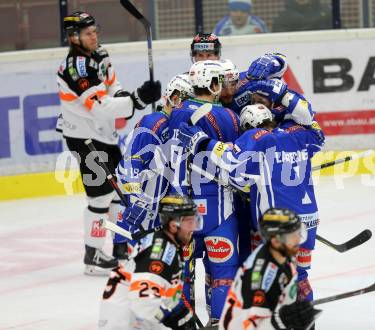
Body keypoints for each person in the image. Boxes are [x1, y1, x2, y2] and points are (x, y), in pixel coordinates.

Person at [178, 100, 323, 304]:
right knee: (299, 276)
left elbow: (232, 163)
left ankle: (280, 318)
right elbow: (318, 135)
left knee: (270, 278)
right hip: (309, 220)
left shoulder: (257, 138)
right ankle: (305, 319)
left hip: (278, 225)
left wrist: (200, 141)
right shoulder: (297, 134)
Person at [56, 11, 162, 275]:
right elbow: (101, 107)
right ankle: (92, 255)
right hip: (85, 137)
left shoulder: (100, 55)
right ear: (73, 37)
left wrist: (132, 96)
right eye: (88, 33)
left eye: (95, 31)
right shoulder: (76, 68)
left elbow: (114, 88)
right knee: (100, 194)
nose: (94, 36)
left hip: (104, 135)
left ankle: (120, 246)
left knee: (119, 190)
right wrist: (137, 100)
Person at [168, 60, 241, 325]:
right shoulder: (229, 117)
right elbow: (237, 163)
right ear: (213, 83)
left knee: (183, 275)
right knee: (222, 274)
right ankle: (219, 321)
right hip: (221, 210)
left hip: (183, 210)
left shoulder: (177, 113)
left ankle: (185, 324)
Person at [113, 74, 195, 259]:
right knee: (139, 270)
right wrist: (136, 200)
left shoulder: (182, 126)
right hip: (144, 212)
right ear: (174, 98)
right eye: (187, 101)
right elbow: (130, 164)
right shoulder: (153, 123)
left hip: (164, 210)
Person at [98, 194, 201, 329]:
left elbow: (164, 294)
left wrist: (181, 315)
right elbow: (143, 305)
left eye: (194, 221)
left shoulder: (165, 244)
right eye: (189, 222)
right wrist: (174, 319)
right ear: (173, 225)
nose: (193, 228)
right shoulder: (159, 254)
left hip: (131, 317)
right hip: (126, 322)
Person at [219, 208, 321, 329]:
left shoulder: (285, 255)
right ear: (276, 241)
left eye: (298, 233)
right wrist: (286, 321)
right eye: (292, 236)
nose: (298, 239)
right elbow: (253, 325)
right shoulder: (261, 275)